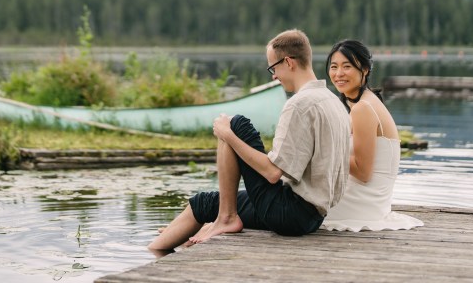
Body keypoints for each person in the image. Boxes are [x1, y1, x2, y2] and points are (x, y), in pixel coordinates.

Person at [148, 29, 351, 255]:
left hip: (289, 213)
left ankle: (223, 219)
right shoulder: (334, 102)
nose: (274, 76)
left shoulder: (299, 104)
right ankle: (174, 240)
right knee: (205, 203)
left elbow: (273, 173)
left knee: (236, 124)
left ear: (289, 62)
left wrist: (228, 136)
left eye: (273, 68)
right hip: (312, 217)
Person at [321, 39, 424, 232]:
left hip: (362, 205)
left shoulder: (363, 108)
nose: (338, 73)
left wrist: (326, 151)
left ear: (365, 69)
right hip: (372, 203)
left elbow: (363, 172)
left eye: (347, 66)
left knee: (291, 198)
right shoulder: (367, 102)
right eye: (334, 67)